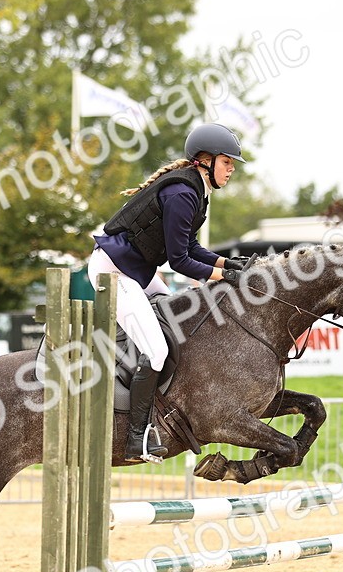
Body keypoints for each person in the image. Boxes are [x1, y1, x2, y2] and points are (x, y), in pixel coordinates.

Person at [88, 122, 247, 463]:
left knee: (179, 319)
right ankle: (137, 437)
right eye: (227, 162)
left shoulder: (194, 191)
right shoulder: (182, 194)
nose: (232, 168)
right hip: (114, 273)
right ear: (205, 160)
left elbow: (191, 247)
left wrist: (229, 265)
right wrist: (222, 276)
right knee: (157, 351)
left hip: (137, 274)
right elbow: (179, 261)